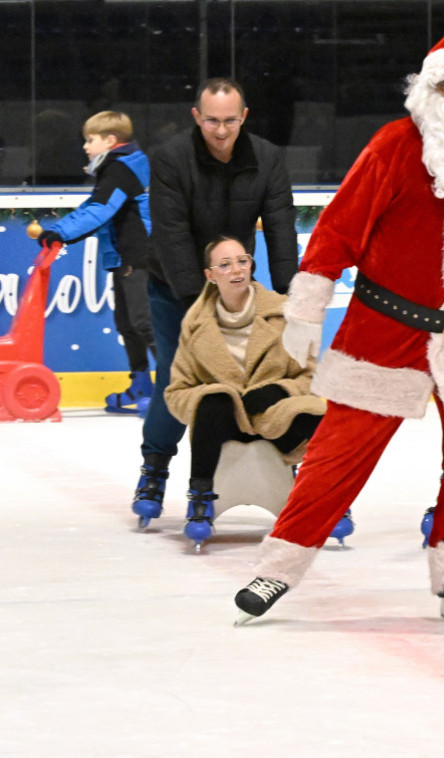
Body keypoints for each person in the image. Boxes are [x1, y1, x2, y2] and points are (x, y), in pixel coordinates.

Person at [232, 29, 444, 627]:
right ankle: (279, 567)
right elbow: (340, 226)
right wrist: (307, 305)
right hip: (384, 329)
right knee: (338, 457)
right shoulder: (394, 146)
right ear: (427, 89)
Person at [130, 78, 298, 530]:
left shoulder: (267, 158)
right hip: (175, 288)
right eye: (211, 121)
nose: (220, 131)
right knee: (177, 375)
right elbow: (170, 230)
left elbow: (281, 227)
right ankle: (155, 471)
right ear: (196, 117)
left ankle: (284, 471)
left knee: (265, 374)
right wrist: (197, 303)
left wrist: (286, 298)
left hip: (236, 285)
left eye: (229, 121)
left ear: (243, 117)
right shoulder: (169, 158)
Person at [163, 236, 326, 546]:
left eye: (242, 261)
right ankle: (200, 496)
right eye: (225, 265)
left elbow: (310, 378)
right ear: (210, 276)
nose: (236, 270)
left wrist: (279, 390)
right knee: (213, 400)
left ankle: (324, 497)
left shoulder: (286, 313)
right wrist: (212, 398)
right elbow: (177, 391)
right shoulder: (195, 323)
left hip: (274, 418)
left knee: (318, 415)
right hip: (224, 422)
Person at [37, 110, 156, 414]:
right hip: (125, 258)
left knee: (145, 325)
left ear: (111, 140)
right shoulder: (117, 167)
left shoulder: (122, 168)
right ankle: (142, 385)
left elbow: (100, 210)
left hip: (139, 256)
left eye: (90, 140)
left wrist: (60, 234)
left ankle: (180, 388)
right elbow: (94, 205)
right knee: (128, 324)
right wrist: (59, 230)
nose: (85, 146)